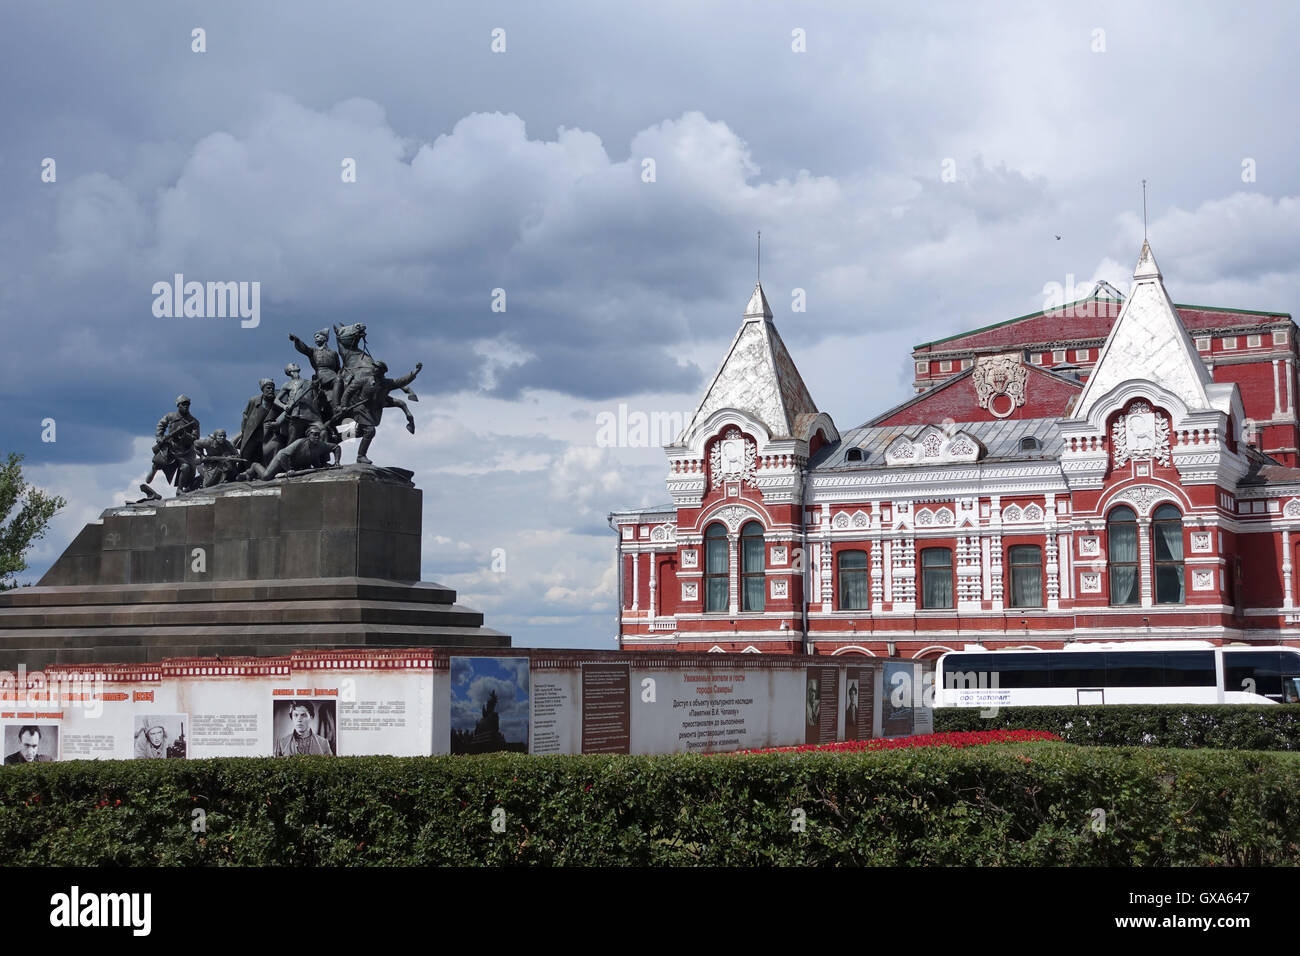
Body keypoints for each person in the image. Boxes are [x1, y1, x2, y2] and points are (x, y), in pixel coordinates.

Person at [143, 395, 201, 496]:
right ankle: (153, 470)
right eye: (183, 404)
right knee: (158, 462)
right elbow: (161, 425)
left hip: (184, 451)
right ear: (178, 405)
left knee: (186, 468)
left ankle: (179, 489)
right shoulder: (171, 416)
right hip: (171, 447)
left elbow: (195, 438)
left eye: (188, 404)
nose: (186, 406)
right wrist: (160, 437)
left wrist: (185, 435)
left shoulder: (193, 421)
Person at [242, 424, 340, 480]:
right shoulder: (300, 442)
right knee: (266, 476)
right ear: (308, 435)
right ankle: (254, 467)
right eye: (314, 435)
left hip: (295, 465)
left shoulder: (321, 445)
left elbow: (336, 447)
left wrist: (336, 462)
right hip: (281, 460)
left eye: (318, 435)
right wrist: (288, 470)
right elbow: (284, 455)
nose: (317, 437)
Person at [236, 379, 284, 467]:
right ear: (263, 389)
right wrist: (243, 430)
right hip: (252, 432)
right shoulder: (254, 400)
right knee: (247, 453)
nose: (271, 390)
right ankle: (247, 470)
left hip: (268, 432)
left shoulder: (277, 402)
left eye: (272, 388)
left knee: (265, 452)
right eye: (268, 388)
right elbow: (245, 415)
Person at [274, 363, 324, 446]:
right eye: (293, 365)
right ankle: (288, 457)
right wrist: (284, 406)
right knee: (292, 440)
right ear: (289, 371)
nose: (296, 365)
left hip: (311, 414)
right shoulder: (287, 385)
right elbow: (276, 400)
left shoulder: (309, 383)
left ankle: (322, 456)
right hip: (295, 414)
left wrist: (316, 388)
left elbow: (316, 398)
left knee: (323, 431)